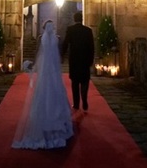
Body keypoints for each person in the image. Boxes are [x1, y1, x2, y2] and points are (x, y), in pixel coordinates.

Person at [12, 20, 74, 149]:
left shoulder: (42, 38)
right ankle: (57, 122)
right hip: (54, 71)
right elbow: (59, 54)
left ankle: (42, 120)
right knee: (55, 92)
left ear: (44, 27)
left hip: (45, 71)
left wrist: (35, 66)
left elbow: (39, 54)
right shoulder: (57, 39)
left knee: (43, 93)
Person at [61, 11, 95, 111]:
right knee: (85, 81)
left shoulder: (70, 30)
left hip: (74, 60)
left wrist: (61, 54)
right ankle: (84, 99)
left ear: (74, 19)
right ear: (82, 19)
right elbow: (91, 47)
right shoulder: (88, 31)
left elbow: (65, 44)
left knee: (75, 82)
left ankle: (76, 103)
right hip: (85, 60)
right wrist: (91, 59)